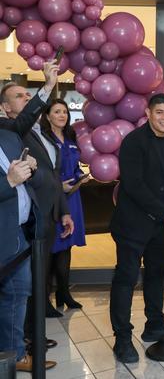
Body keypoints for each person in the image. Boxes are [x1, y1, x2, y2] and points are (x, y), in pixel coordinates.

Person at [110, 94, 164, 363]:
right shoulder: (133, 142)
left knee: (156, 275)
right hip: (133, 225)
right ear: (148, 113)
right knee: (126, 280)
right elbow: (134, 185)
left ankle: (155, 324)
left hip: (163, 226)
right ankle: (121, 339)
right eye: (160, 112)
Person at [2, 78, 75, 324]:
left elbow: (53, 175)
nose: (26, 98)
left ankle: (35, 333)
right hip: (30, 215)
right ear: (5, 108)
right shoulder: (12, 132)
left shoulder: (39, 132)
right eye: (20, 96)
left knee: (38, 273)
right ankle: (30, 337)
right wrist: (47, 86)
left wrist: (63, 210)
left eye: (28, 94)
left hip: (48, 211)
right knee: (27, 279)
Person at [0, 129, 56, 372]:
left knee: (17, 296)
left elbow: (40, 180)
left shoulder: (10, 138)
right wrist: (9, 181)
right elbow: (11, 182)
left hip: (19, 236)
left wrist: (31, 169)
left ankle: (16, 356)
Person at [40, 99, 89, 310]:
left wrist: (80, 177)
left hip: (73, 197)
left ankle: (64, 293)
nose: (62, 115)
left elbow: (75, 165)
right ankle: (45, 299)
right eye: (57, 112)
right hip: (53, 198)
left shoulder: (70, 136)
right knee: (52, 248)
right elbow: (42, 172)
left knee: (66, 247)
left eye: (65, 112)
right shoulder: (42, 138)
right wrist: (59, 185)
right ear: (48, 115)